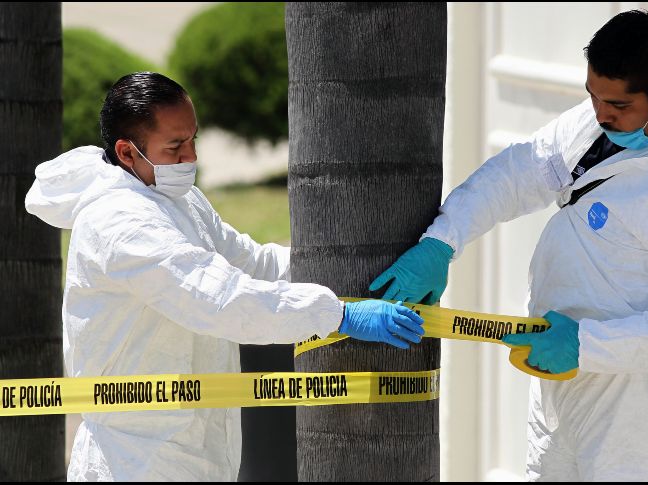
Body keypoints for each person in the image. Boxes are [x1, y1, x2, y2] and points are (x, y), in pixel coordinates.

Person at [369, 10, 648, 482]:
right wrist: (442, 241)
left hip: (636, 408)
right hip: (561, 381)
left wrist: (585, 344)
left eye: (617, 104)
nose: (602, 114)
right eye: (593, 96)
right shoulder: (596, 125)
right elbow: (519, 173)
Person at [25, 72, 425, 482]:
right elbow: (220, 299)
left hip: (195, 447)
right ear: (128, 153)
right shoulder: (119, 225)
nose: (191, 157)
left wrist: (344, 271)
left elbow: (251, 262)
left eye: (193, 139)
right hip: (133, 460)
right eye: (175, 146)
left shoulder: (177, 198)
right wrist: (336, 315)